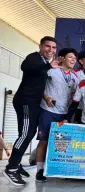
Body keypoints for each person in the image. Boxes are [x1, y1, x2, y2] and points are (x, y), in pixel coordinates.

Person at [3, 36, 60, 186]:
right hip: (26, 102)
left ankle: (15, 163)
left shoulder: (43, 63)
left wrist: (46, 97)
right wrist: (49, 66)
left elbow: (36, 84)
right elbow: (25, 67)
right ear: (40, 46)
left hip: (34, 103)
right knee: (26, 134)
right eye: (48, 46)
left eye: (54, 47)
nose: (51, 50)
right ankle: (11, 168)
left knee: (28, 134)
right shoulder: (34, 58)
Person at [36, 48, 79, 182]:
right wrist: (46, 97)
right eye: (70, 57)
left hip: (64, 114)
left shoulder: (75, 77)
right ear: (63, 58)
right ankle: (39, 170)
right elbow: (39, 85)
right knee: (43, 141)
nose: (73, 60)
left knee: (60, 143)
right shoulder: (52, 71)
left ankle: (57, 169)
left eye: (75, 58)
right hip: (48, 111)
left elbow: (74, 96)